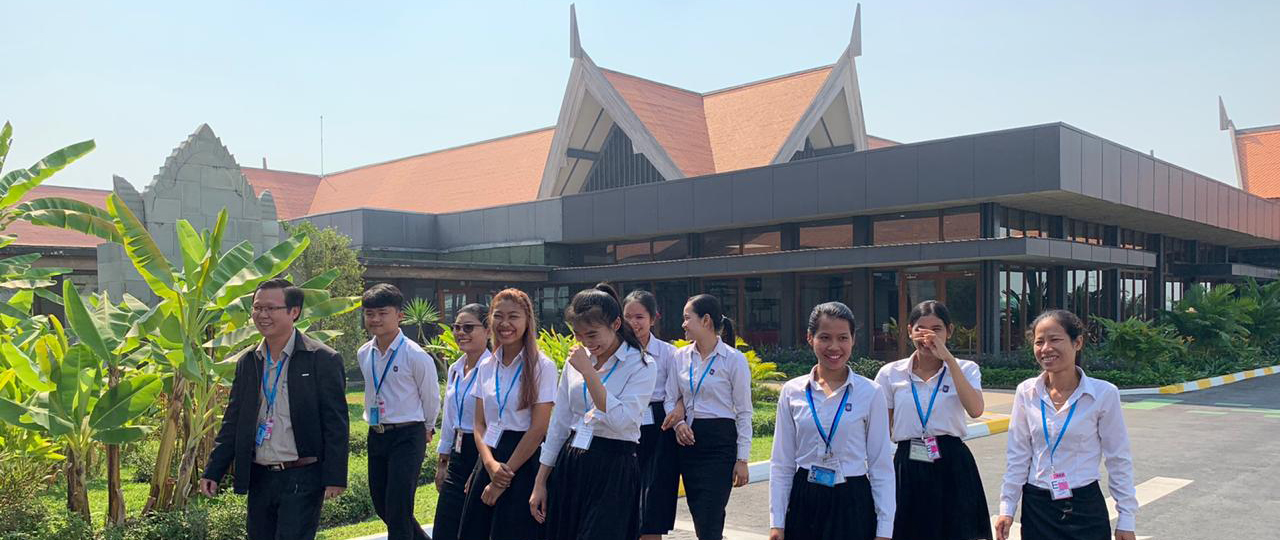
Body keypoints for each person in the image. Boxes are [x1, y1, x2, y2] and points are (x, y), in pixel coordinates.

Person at [200, 278, 349, 540]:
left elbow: (336, 423)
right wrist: (214, 469)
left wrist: (335, 476)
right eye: (257, 308)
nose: (262, 315)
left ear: (294, 312)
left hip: (302, 475)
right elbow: (233, 420)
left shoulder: (321, 359)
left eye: (271, 308)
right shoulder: (249, 361)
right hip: (260, 475)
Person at [994, 310, 1137, 540]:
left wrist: (1126, 518)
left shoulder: (1103, 394)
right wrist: (1007, 508)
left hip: (1084, 507)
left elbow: (1118, 458)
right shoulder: (1026, 392)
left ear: (1077, 342)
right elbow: (1018, 455)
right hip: (1038, 507)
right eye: (1039, 342)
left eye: (1055, 339)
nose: (1045, 348)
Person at [529, 283, 657, 540]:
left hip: (613, 465)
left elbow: (622, 421)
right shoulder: (576, 360)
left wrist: (588, 372)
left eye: (593, 334)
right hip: (572, 461)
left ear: (616, 324)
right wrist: (540, 481)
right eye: (578, 334)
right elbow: (560, 422)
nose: (586, 342)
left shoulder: (642, 365)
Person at [769, 302, 894, 540]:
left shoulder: (871, 393)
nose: (834, 347)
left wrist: (885, 528)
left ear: (853, 340)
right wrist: (777, 522)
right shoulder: (792, 391)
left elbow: (881, 465)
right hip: (805, 498)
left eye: (843, 338)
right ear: (810, 338)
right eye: (825, 337)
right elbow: (781, 462)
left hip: (853, 499)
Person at [873, 300, 990, 540]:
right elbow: (881, 430)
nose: (928, 336)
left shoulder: (966, 368)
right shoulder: (890, 373)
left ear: (949, 331)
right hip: (909, 461)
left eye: (936, 329)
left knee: (956, 531)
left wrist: (949, 360)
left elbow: (976, 409)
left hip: (952, 462)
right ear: (909, 331)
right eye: (920, 328)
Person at [458, 289, 557, 540]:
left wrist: (502, 478)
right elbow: (479, 424)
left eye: (513, 316)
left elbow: (538, 430)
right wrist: (490, 465)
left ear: (527, 321)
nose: (505, 324)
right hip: (489, 458)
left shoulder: (541, 366)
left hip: (522, 462)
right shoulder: (486, 366)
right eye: (498, 316)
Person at [661, 293, 752, 540]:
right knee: (699, 512)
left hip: (720, 443)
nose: (683, 324)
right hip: (688, 441)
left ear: (706, 321)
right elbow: (670, 396)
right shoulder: (679, 357)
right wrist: (678, 423)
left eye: (687, 318)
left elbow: (744, 412)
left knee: (711, 512)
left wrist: (742, 458)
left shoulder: (734, 360)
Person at [358, 283, 440, 540]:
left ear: (399, 316)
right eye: (370, 314)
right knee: (383, 505)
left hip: (408, 434)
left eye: (383, 313)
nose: (375, 319)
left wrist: (427, 429)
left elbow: (431, 396)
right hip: (377, 433)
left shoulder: (415, 355)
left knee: (398, 507)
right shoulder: (364, 353)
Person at [623, 290, 682, 540]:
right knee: (627, 493)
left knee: (654, 499)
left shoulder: (669, 353)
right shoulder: (619, 351)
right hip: (626, 422)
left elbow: (681, 390)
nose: (634, 323)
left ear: (653, 319)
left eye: (640, 317)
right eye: (628, 317)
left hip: (660, 425)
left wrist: (679, 407)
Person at [433, 303, 493, 540]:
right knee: (445, 526)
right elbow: (449, 418)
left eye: (468, 328)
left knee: (472, 528)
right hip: (457, 452)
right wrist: (442, 461)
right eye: (457, 327)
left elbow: (493, 421)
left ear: (488, 330)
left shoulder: (493, 369)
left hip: (483, 452)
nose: (460, 333)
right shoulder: (456, 368)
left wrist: (481, 466)